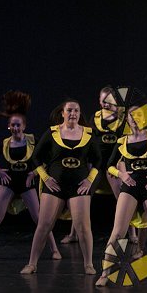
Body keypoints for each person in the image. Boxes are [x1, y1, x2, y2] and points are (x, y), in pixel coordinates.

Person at [96, 102, 147, 287]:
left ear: (144, 117)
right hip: (130, 188)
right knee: (117, 233)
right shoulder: (122, 141)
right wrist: (122, 175)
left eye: (138, 115)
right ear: (127, 120)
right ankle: (105, 273)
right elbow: (109, 166)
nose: (134, 118)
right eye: (131, 116)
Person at [20, 100, 101, 275]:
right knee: (44, 225)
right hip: (54, 187)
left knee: (83, 227)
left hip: (78, 187)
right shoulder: (52, 132)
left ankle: (88, 264)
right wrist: (45, 178)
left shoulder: (88, 134)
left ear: (80, 113)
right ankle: (32, 264)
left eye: (76, 110)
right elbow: (35, 158)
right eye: (69, 110)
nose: (73, 113)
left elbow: (98, 160)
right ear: (62, 113)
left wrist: (89, 180)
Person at [0, 90, 60, 260]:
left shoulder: (32, 140)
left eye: (18, 125)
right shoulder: (5, 143)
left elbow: (47, 158)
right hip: (9, 183)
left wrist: (34, 173)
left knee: (40, 218)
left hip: (26, 183)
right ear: (9, 127)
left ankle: (54, 249)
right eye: (12, 125)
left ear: (24, 126)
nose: (15, 128)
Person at [61, 86, 127, 244]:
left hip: (115, 164)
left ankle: (131, 234)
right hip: (97, 163)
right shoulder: (96, 117)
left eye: (108, 100)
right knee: (82, 196)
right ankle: (73, 234)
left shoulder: (123, 116)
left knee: (124, 198)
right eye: (102, 100)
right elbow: (88, 140)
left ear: (115, 99)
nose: (105, 104)